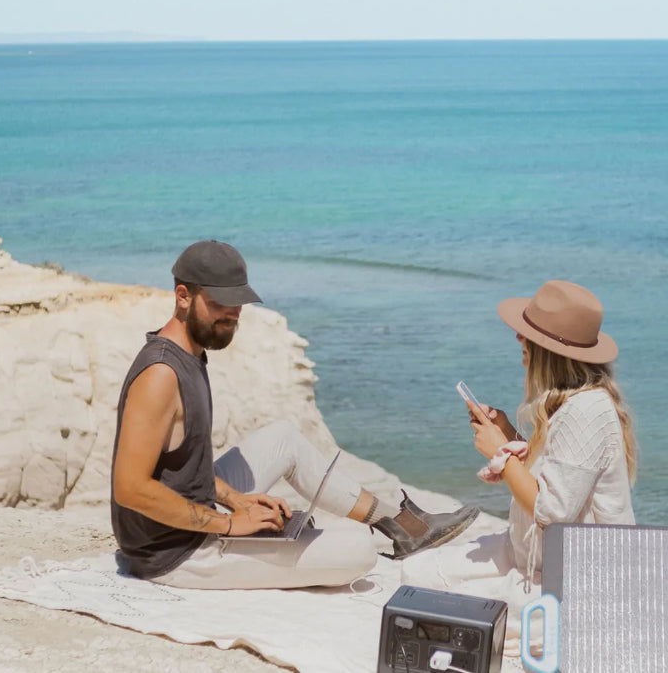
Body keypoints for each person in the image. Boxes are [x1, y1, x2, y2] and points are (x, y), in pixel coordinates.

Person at [111, 239, 479, 589]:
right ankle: (378, 533)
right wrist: (228, 523)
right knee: (359, 551)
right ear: (183, 297)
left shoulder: (190, 354)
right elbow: (130, 488)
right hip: (176, 553)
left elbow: (181, 467)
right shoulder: (160, 374)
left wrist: (237, 499)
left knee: (283, 437)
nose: (234, 314)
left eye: (239, 302)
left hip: (195, 515)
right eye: (221, 302)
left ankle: (402, 525)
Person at [401, 280, 637, 651]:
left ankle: (575, 622)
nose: (517, 340)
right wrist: (511, 436)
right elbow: (560, 474)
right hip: (529, 554)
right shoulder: (568, 402)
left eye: (525, 334)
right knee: (417, 575)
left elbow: (554, 511)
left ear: (548, 350)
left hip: (579, 579)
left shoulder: (587, 412)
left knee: (446, 607)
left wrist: (503, 454)